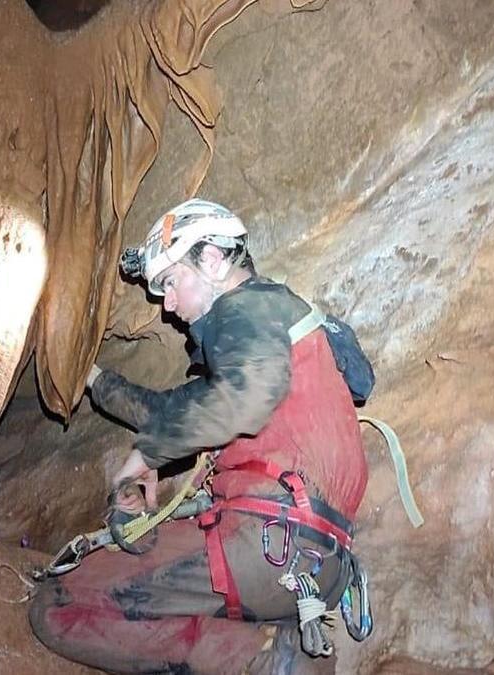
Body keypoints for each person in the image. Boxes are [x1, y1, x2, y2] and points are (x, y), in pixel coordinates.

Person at [28, 199, 369, 674]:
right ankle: (278, 652)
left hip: (262, 545)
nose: (166, 305)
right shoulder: (280, 337)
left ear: (211, 260)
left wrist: (146, 456)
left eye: (170, 283)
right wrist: (91, 378)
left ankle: (250, 661)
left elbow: (247, 397)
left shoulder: (247, 308)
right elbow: (172, 411)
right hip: (319, 570)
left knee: (58, 604)